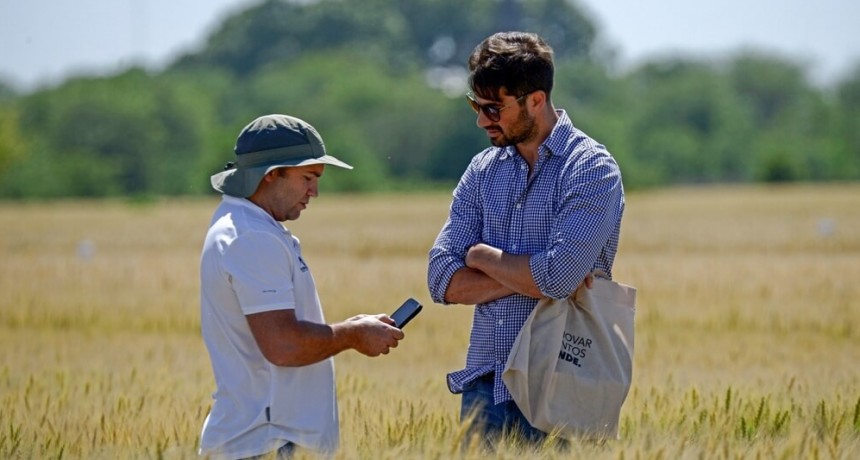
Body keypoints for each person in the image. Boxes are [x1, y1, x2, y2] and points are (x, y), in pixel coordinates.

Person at [427, 31, 625, 446]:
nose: (482, 120)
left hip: (562, 384)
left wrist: (480, 256)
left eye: (493, 108)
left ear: (535, 100)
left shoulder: (591, 168)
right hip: (484, 384)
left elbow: (557, 279)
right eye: (476, 106)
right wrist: (536, 274)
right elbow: (441, 280)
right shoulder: (482, 169)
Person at [199, 114, 404, 459]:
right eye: (307, 178)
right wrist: (353, 335)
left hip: (262, 438)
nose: (315, 192)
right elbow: (283, 346)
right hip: (266, 441)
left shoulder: (246, 225)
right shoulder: (252, 237)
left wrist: (351, 327)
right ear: (271, 174)